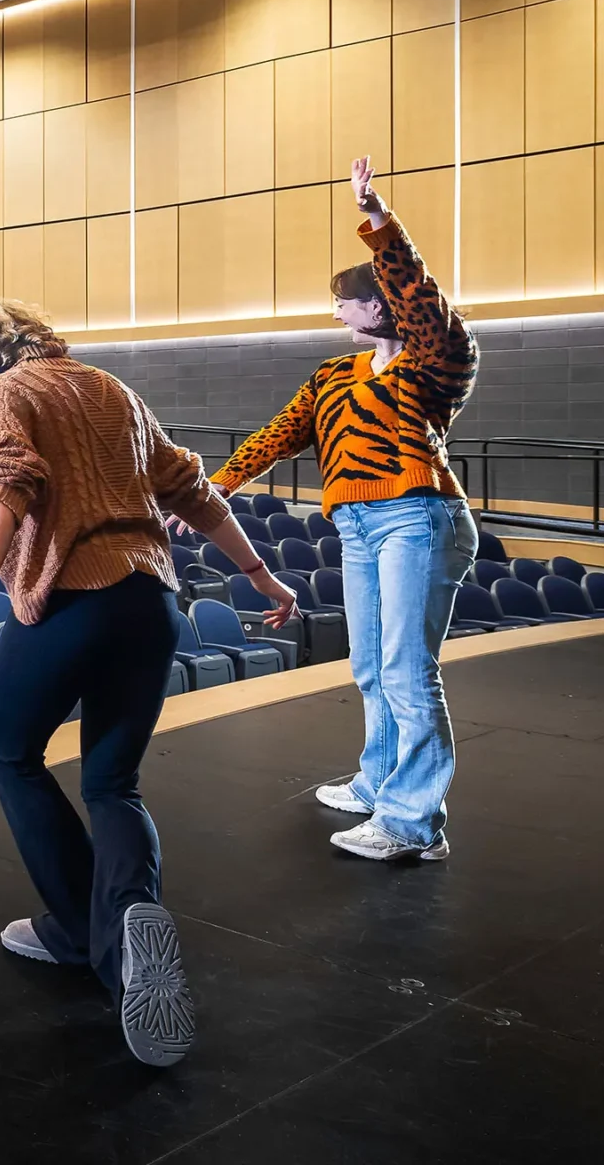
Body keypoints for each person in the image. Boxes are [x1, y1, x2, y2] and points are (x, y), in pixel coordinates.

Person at [0, 298, 297, 1068]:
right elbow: (192, 489)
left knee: (10, 753)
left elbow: (3, 484)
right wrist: (261, 575)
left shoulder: (3, 392)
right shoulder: (110, 389)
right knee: (113, 784)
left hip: (72, 600)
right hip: (151, 603)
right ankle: (126, 917)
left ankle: (80, 931)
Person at [199, 155, 478, 864]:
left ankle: (412, 822)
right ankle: (379, 782)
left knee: (408, 671)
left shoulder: (437, 360)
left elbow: (423, 301)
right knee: (371, 668)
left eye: (345, 302)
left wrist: (379, 223)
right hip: (357, 526)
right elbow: (281, 432)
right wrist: (221, 483)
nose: (336, 312)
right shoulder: (332, 373)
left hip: (417, 516)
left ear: (379, 306)